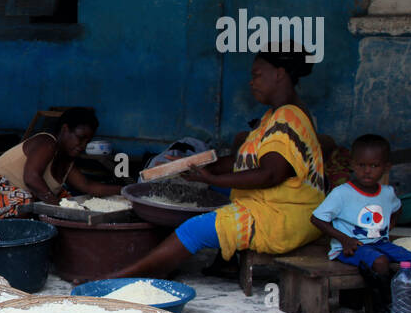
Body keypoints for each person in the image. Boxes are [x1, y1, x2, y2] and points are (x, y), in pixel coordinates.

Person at [106, 49, 326, 278]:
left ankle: (119, 278)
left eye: (257, 75)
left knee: (194, 229)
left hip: (284, 217)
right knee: (207, 191)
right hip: (279, 205)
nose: (252, 82)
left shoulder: (288, 117)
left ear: (280, 74)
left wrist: (212, 178)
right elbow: (240, 162)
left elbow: (271, 174)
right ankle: (225, 262)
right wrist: (196, 167)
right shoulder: (273, 116)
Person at [311, 134, 411, 313]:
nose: (367, 171)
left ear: (386, 167)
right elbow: (317, 219)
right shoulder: (342, 193)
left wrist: (389, 225)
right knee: (380, 262)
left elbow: (398, 208)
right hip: (350, 247)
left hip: (380, 244)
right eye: (361, 165)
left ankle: (406, 300)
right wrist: (344, 239)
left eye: (374, 166)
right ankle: (384, 306)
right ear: (352, 164)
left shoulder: (387, 193)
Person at [0, 107, 122, 219]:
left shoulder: (66, 161)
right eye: (80, 138)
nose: (83, 145)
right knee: (29, 200)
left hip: (7, 201)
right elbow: (31, 178)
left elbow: (88, 186)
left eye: (88, 140)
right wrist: (60, 208)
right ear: (65, 130)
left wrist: (126, 190)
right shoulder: (47, 142)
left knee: (68, 198)